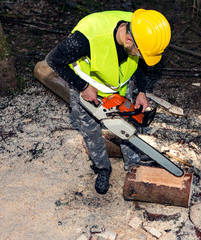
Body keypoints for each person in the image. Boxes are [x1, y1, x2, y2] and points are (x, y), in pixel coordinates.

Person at [46, 9, 171, 194]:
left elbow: (141, 62)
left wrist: (141, 91)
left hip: (119, 87)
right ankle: (102, 168)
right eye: (140, 52)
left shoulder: (142, 28)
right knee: (90, 131)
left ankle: (133, 165)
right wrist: (82, 86)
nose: (140, 56)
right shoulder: (87, 37)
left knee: (128, 128)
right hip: (88, 88)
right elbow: (53, 60)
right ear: (129, 40)